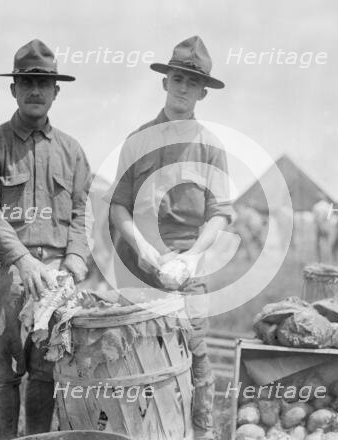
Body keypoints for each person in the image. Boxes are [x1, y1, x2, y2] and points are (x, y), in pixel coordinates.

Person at [107, 36, 233, 440]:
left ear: (202, 93)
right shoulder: (136, 140)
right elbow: (118, 205)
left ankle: (201, 434)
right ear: (165, 83)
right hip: (137, 267)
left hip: (187, 267)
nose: (182, 88)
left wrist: (194, 257)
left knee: (195, 357)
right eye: (177, 78)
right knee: (135, 358)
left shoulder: (211, 148)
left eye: (192, 83)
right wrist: (142, 248)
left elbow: (219, 213)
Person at [0, 40, 91, 439]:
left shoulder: (72, 151)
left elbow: (80, 214)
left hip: (56, 280)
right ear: (14, 89)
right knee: (4, 374)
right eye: (27, 81)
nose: (35, 90)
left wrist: (74, 262)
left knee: (46, 373)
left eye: (44, 82)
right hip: (8, 275)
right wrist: (23, 260)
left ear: (56, 91)